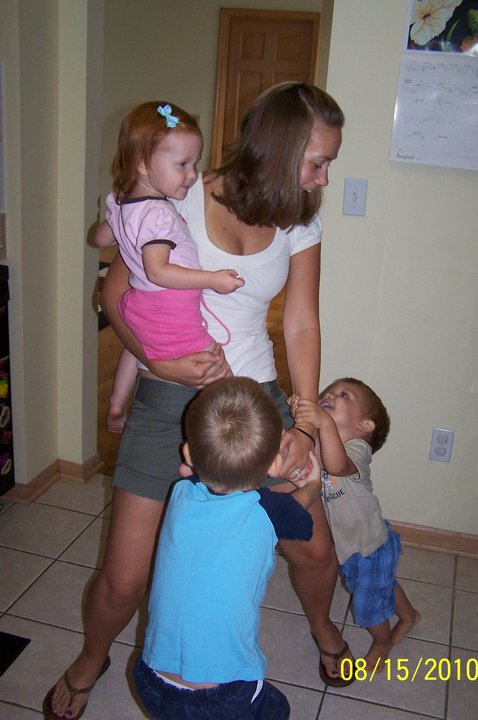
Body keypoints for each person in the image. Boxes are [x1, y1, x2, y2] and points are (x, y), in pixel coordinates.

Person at [44, 82, 349, 720]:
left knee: (314, 549)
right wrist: (155, 362)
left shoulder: (301, 218)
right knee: (125, 580)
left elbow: (301, 323)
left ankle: (323, 628)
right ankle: (91, 657)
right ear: (280, 147)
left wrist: (304, 417)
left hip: (255, 401)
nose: (324, 178)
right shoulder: (178, 193)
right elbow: (114, 295)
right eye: (317, 161)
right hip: (167, 399)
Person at [134, 376, 322, 719]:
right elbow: (301, 518)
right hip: (222, 696)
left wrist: (202, 460)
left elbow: (197, 474)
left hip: (150, 678)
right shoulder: (268, 511)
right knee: (277, 708)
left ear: (188, 454)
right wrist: (312, 484)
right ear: (272, 465)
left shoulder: (180, 493)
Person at [93, 101, 244, 433]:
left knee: (141, 347)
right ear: (143, 163)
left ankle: (117, 402)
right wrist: (212, 279)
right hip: (169, 307)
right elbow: (157, 271)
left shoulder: (121, 202)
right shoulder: (159, 214)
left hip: (139, 303)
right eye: (182, 164)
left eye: (195, 163)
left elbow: (100, 238)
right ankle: (238, 432)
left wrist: (115, 222)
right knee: (220, 371)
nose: (192, 174)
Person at [290, 377, 422, 672]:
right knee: (381, 585)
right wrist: (299, 416)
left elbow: (337, 465)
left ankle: (382, 641)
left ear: (365, 426)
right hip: (350, 549)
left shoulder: (357, 449)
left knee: (367, 605)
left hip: (369, 547)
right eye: (329, 392)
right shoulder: (322, 444)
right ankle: (409, 615)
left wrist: (323, 421)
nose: (330, 394)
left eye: (344, 395)